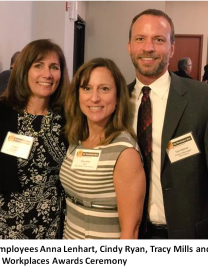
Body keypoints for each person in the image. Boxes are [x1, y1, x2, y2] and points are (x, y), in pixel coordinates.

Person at [127, 9, 208, 240]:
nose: (148, 48)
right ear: (129, 46)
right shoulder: (115, 102)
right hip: (130, 232)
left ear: (172, 48)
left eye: (158, 39)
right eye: (140, 39)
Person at [0, 39, 70, 240]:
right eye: (38, 65)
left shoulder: (69, 117)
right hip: (6, 223)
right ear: (24, 70)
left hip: (54, 223)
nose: (47, 74)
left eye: (54, 67)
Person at [60, 58, 146, 240]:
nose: (94, 98)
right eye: (87, 88)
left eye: (104, 89)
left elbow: (131, 231)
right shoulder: (77, 140)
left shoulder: (124, 152)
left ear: (117, 97)